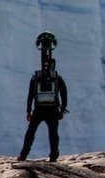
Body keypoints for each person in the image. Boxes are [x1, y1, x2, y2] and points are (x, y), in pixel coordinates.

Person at [18, 33, 68, 162]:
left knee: (31, 132)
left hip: (39, 109)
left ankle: (23, 155)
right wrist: (62, 109)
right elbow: (64, 94)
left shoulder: (36, 78)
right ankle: (53, 157)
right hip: (53, 110)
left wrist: (28, 111)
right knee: (53, 134)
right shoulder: (57, 78)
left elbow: (31, 95)